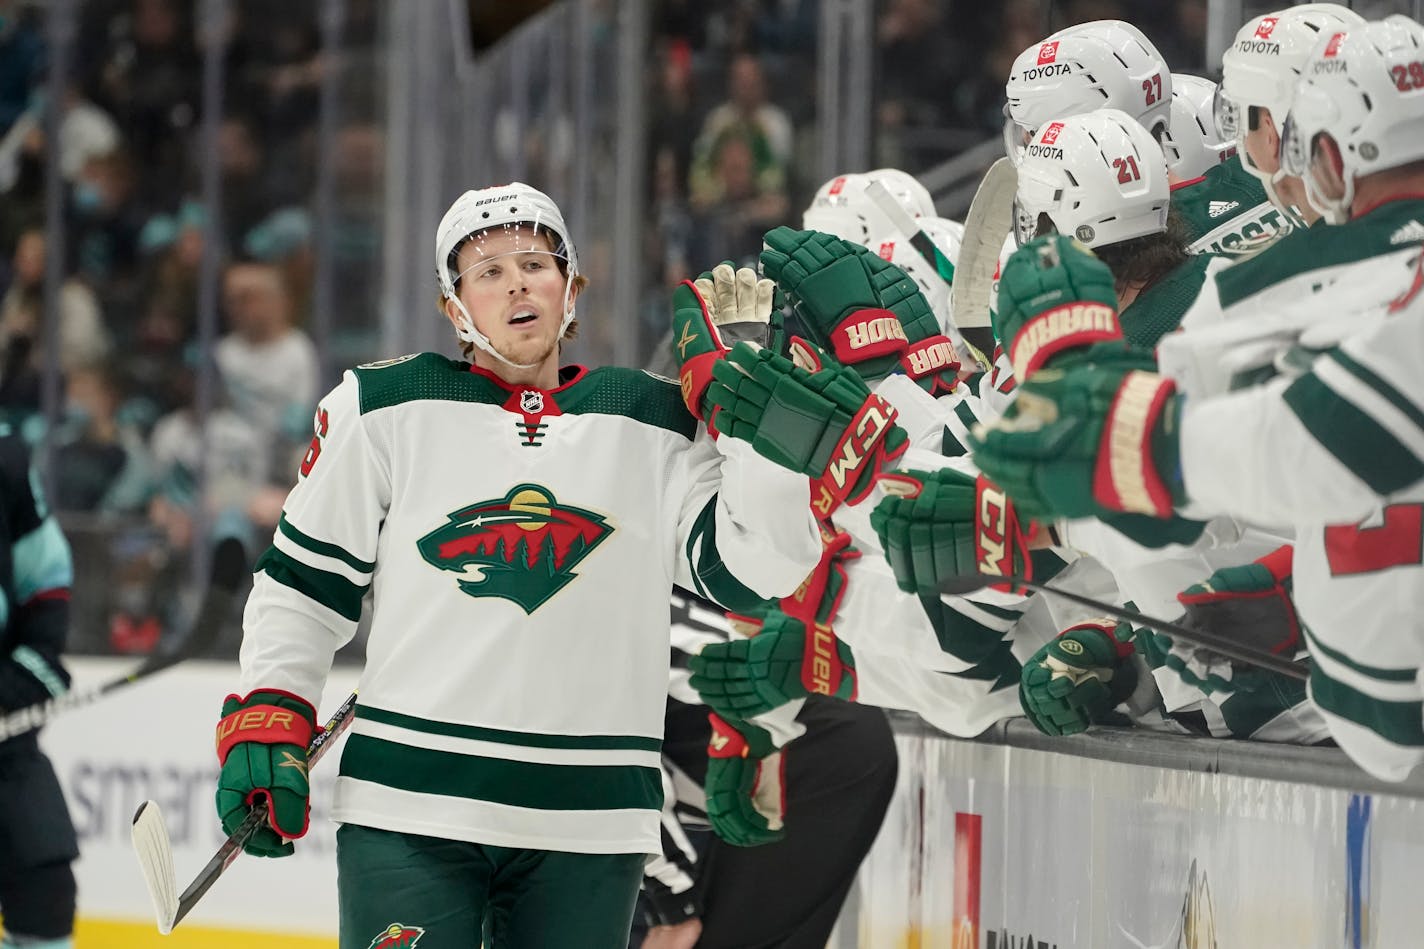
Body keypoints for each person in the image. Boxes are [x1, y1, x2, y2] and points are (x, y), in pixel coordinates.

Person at [212, 182, 820, 948]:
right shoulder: (382, 409)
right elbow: (303, 587)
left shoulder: (656, 420)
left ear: (573, 287)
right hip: (411, 810)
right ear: (452, 306)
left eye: (535, 262)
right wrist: (269, 710)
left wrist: (755, 423)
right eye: (487, 270)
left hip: (591, 822)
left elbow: (763, 567)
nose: (516, 283)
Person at [968, 15, 1424, 780]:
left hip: (1351, 725)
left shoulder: (1296, 287)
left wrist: (1109, 457)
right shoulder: (1279, 264)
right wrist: (1280, 589)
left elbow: (1327, 440)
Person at [0, 429, 80, 949]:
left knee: (47, 891)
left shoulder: (6, 465)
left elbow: (46, 622)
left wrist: (12, 689)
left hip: (5, 745)